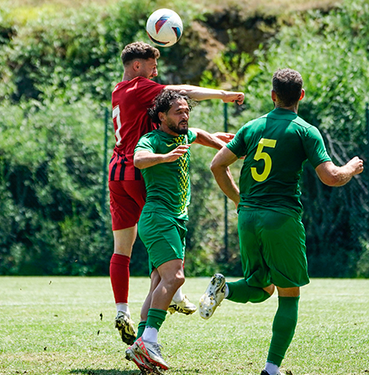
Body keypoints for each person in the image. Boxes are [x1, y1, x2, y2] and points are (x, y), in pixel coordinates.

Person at [201, 68, 364, 375]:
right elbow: (330, 177)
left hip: (247, 218)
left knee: (261, 287)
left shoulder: (251, 127)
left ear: (273, 95)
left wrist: (239, 200)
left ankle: (225, 290)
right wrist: (351, 167)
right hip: (281, 218)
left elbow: (217, 165)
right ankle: (272, 369)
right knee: (289, 295)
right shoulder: (305, 130)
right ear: (301, 95)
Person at [109, 41, 245, 346]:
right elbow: (183, 91)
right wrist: (222, 95)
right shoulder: (139, 88)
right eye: (151, 65)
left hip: (115, 172)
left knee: (122, 250)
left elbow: (195, 133)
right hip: (137, 171)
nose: (155, 71)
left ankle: (122, 310)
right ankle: (173, 295)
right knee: (162, 241)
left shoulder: (118, 90)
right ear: (136, 67)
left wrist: (221, 141)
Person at [124, 89, 233, 373]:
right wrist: (164, 157)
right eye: (178, 112)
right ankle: (149, 342)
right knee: (176, 279)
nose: (184, 115)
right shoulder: (153, 139)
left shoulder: (184, 135)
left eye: (186, 110)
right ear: (161, 117)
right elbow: (138, 159)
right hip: (159, 218)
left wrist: (222, 141)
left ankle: (140, 341)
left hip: (175, 220)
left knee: (158, 283)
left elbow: (199, 134)